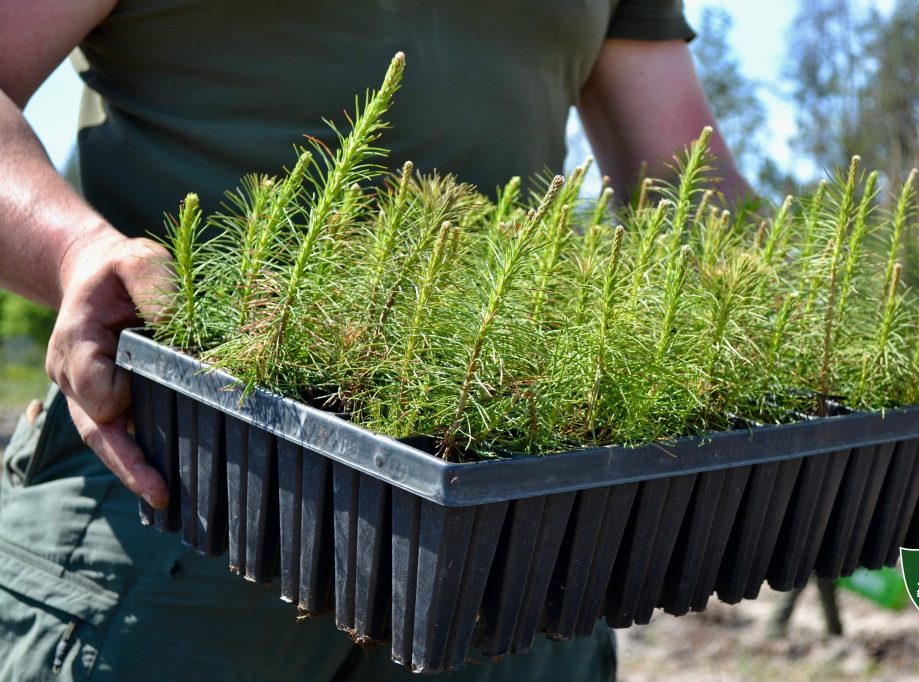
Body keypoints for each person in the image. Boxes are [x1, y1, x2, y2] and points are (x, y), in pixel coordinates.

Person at [0, 1, 750, 679]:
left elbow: (688, 176)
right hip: (176, 479)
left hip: (512, 521)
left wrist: (788, 305)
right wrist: (75, 251)